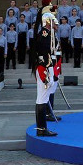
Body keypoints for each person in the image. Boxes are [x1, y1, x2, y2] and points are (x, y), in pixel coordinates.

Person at [31, 9, 59, 138]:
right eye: (53, 21)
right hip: (44, 67)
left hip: (47, 67)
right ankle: (41, 128)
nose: (55, 24)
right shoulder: (45, 34)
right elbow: (43, 53)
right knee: (41, 98)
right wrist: (47, 70)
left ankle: (42, 128)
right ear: (48, 22)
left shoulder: (49, 34)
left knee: (44, 97)